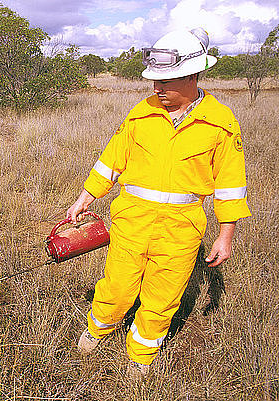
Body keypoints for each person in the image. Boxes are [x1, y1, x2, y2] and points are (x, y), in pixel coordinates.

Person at [66, 27, 250, 378]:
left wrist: (225, 235)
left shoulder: (221, 124)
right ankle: (98, 328)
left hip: (181, 227)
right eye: (155, 81)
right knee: (117, 285)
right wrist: (85, 197)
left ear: (194, 75)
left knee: (162, 297)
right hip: (131, 220)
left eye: (167, 81)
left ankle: (141, 354)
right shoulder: (141, 114)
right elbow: (111, 161)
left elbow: (230, 185)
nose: (157, 89)